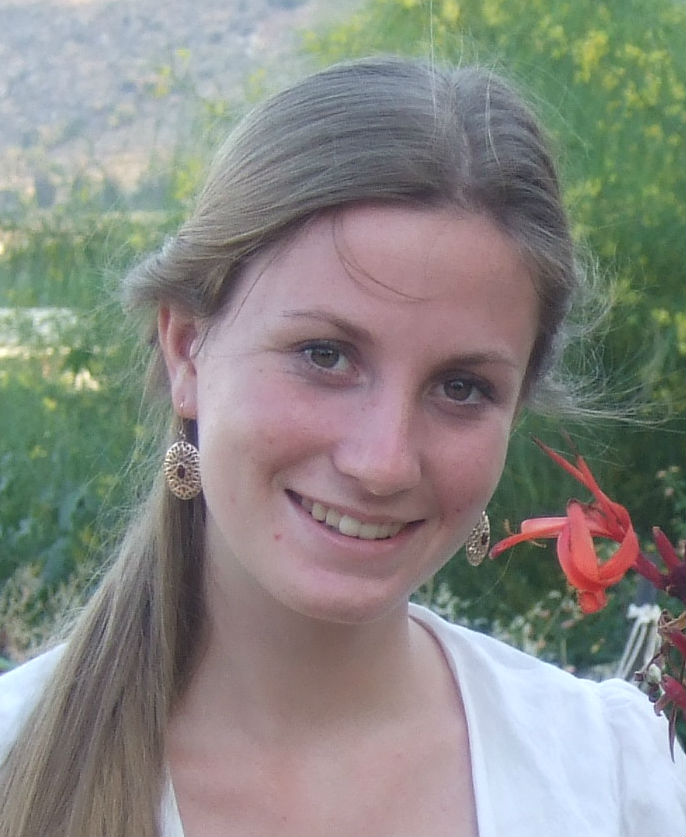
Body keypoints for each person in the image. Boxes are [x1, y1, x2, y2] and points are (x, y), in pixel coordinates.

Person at [0, 56, 683, 837]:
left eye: (462, 387)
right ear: (187, 349)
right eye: (324, 355)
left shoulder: (618, 782)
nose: (383, 461)